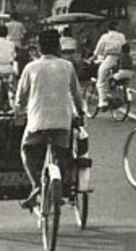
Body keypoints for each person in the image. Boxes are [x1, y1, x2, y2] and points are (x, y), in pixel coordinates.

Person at [14, 28, 87, 209]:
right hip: (62, 123)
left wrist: (19, 112)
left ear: (39, 48)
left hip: (37, 123)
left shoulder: (30, 67)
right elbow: (77, 96)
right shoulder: (67, 66)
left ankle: (37, 185)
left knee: (26, 150)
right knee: (63, 154)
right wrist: (81, 113)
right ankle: (61, 185)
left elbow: (20, 99)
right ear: (58, 47)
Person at [92, 19, 127, 110]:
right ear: (117, 28)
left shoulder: (105, 37)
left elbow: (98, 49)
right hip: (121, 59)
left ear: (108, 28)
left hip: (109, 58)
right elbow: (125, 47)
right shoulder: (121, 36)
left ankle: (102, 102)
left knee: (101, 80)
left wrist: (92, 58)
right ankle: (121, 93)